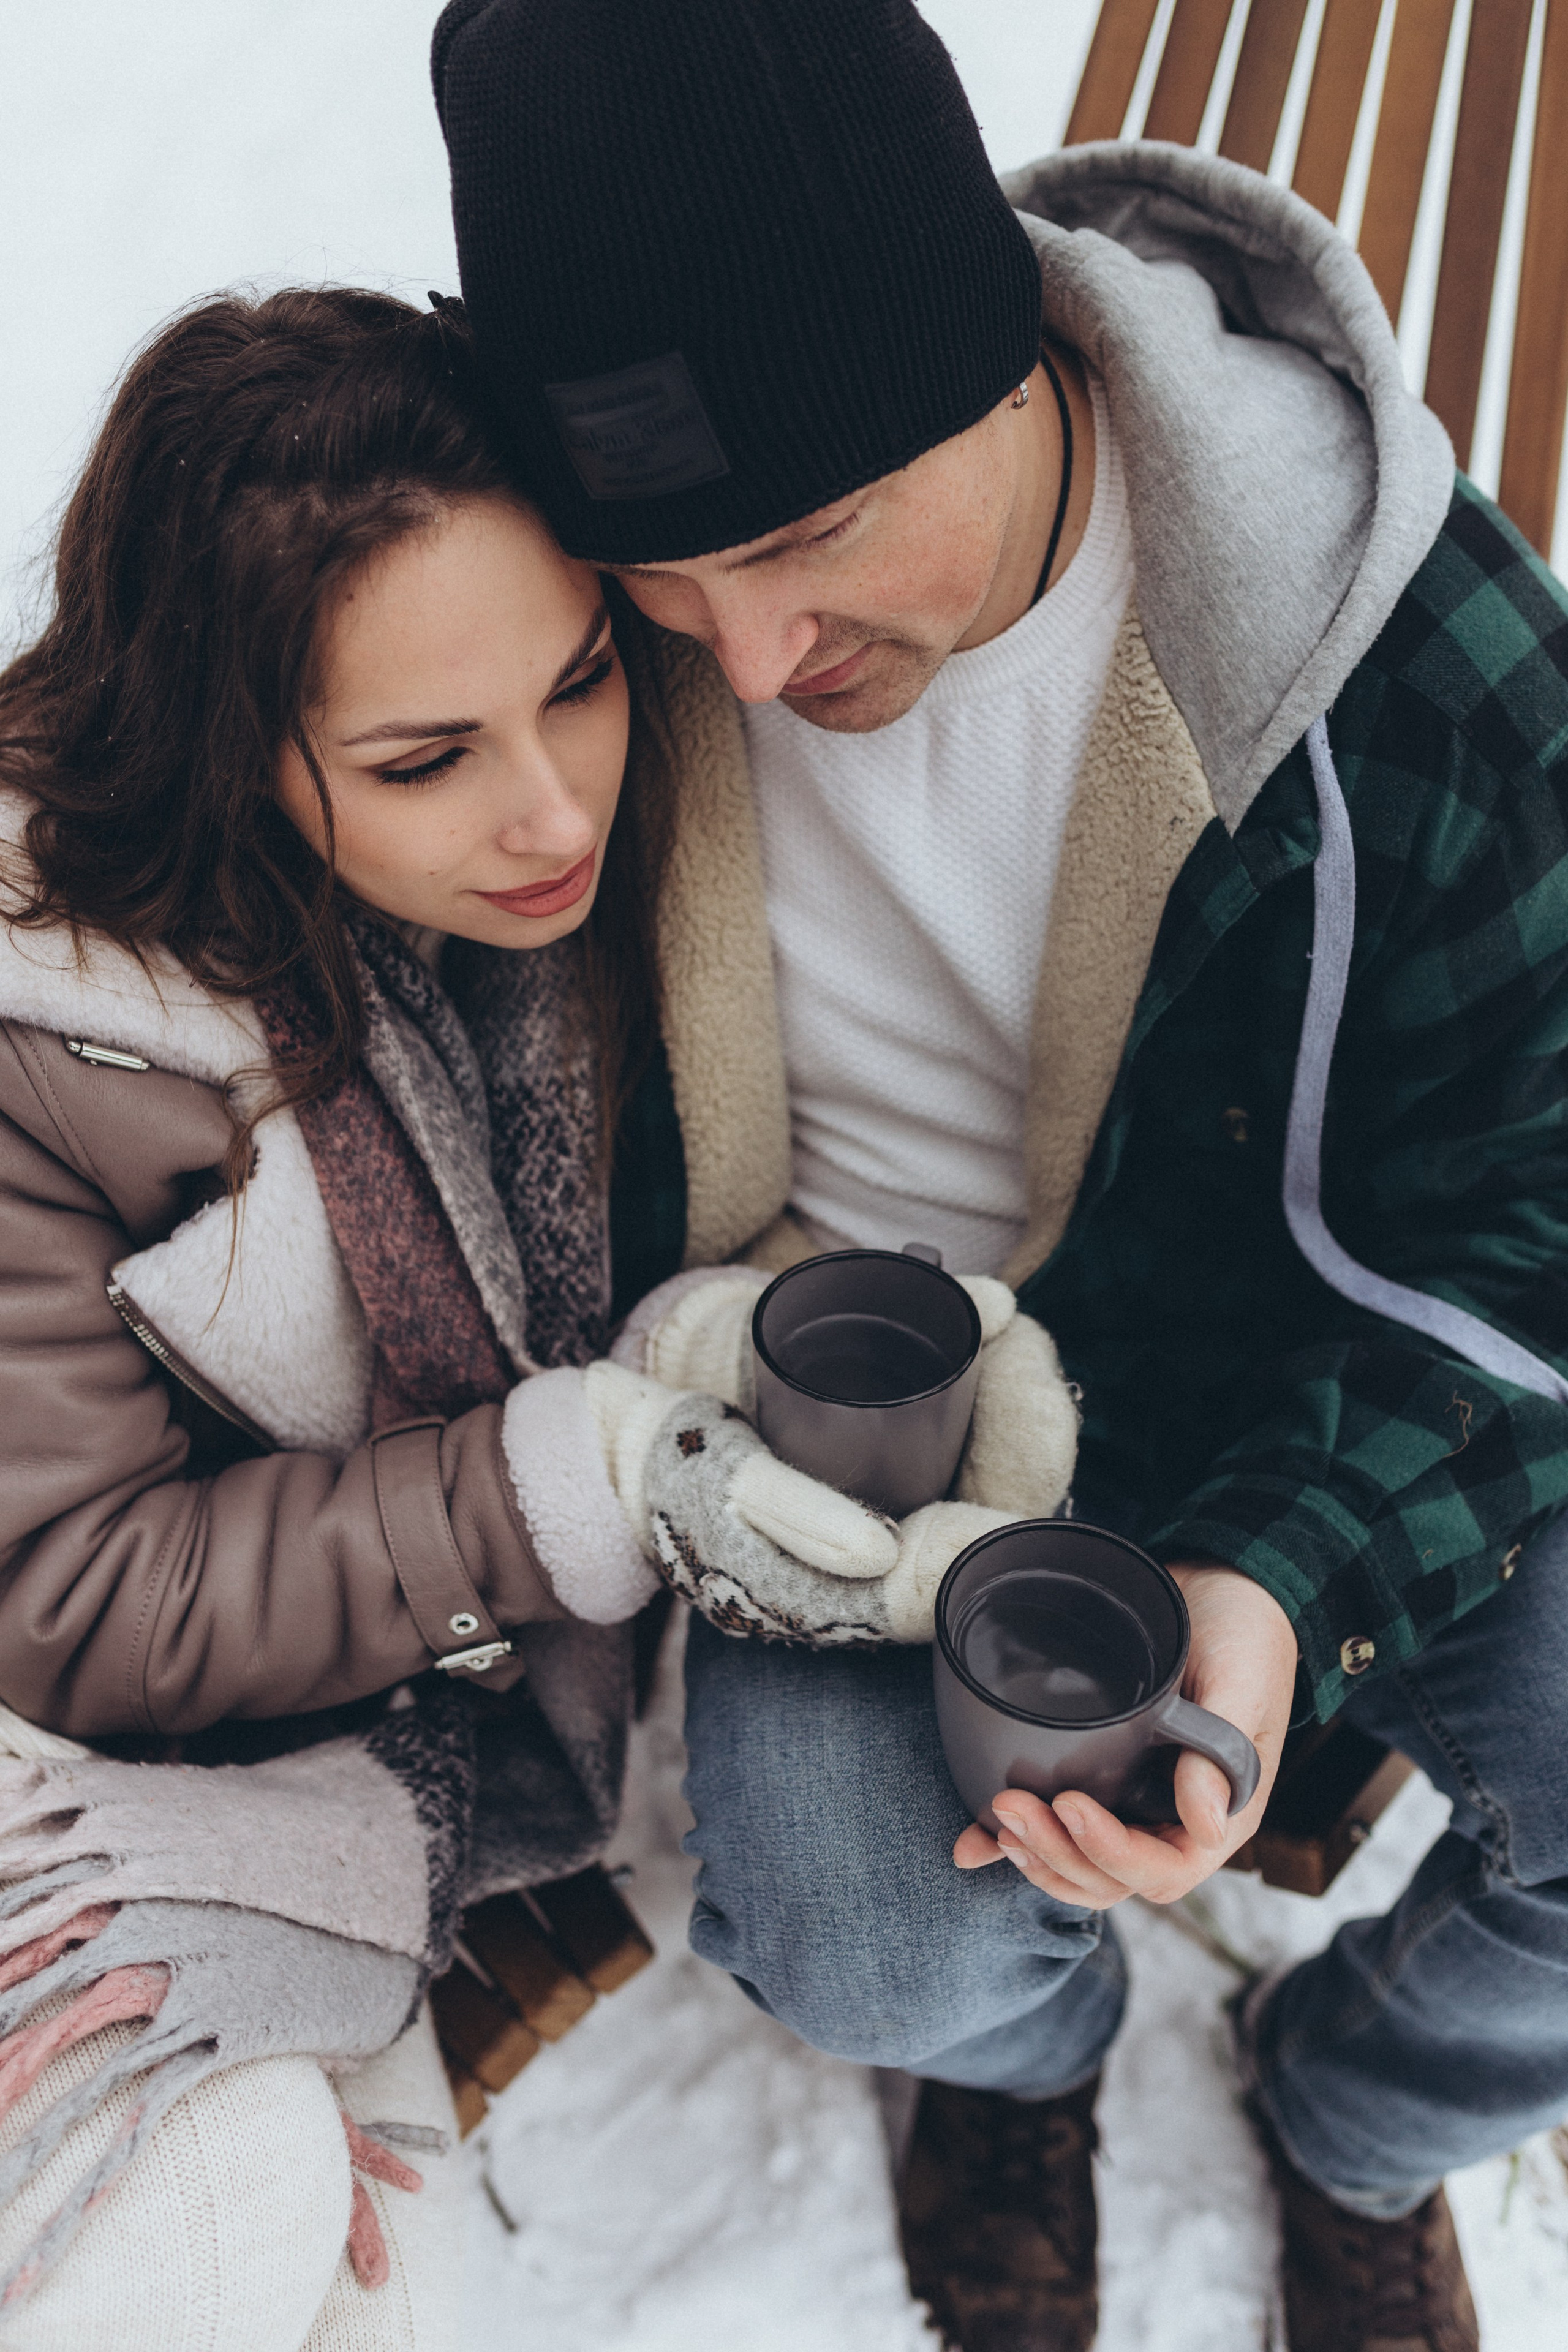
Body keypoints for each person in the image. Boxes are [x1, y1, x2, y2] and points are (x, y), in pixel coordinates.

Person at [433, 3, 1568, 2348]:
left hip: (1298, 1377)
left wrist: (1279, 1565)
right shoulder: (555, 634)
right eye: (663, 576)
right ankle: (1020, 2070)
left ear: (1001, 350)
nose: (737, 663)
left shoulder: (1423, 668)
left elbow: (1543, 1193)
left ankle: (1359, 2108)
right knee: (869, 1942)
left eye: (807, 536)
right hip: (850, 1398)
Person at [0, 280, 1060, 2347]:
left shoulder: (621, 820)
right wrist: (559, 1482)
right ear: (235, 752)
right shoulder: (59, 1043)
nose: (556, 812)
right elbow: (71, 1594)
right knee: (218, 2240)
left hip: (404, 1659)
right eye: (423, 758)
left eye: (578, 686)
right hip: (131, 1749)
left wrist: (732, 1352)